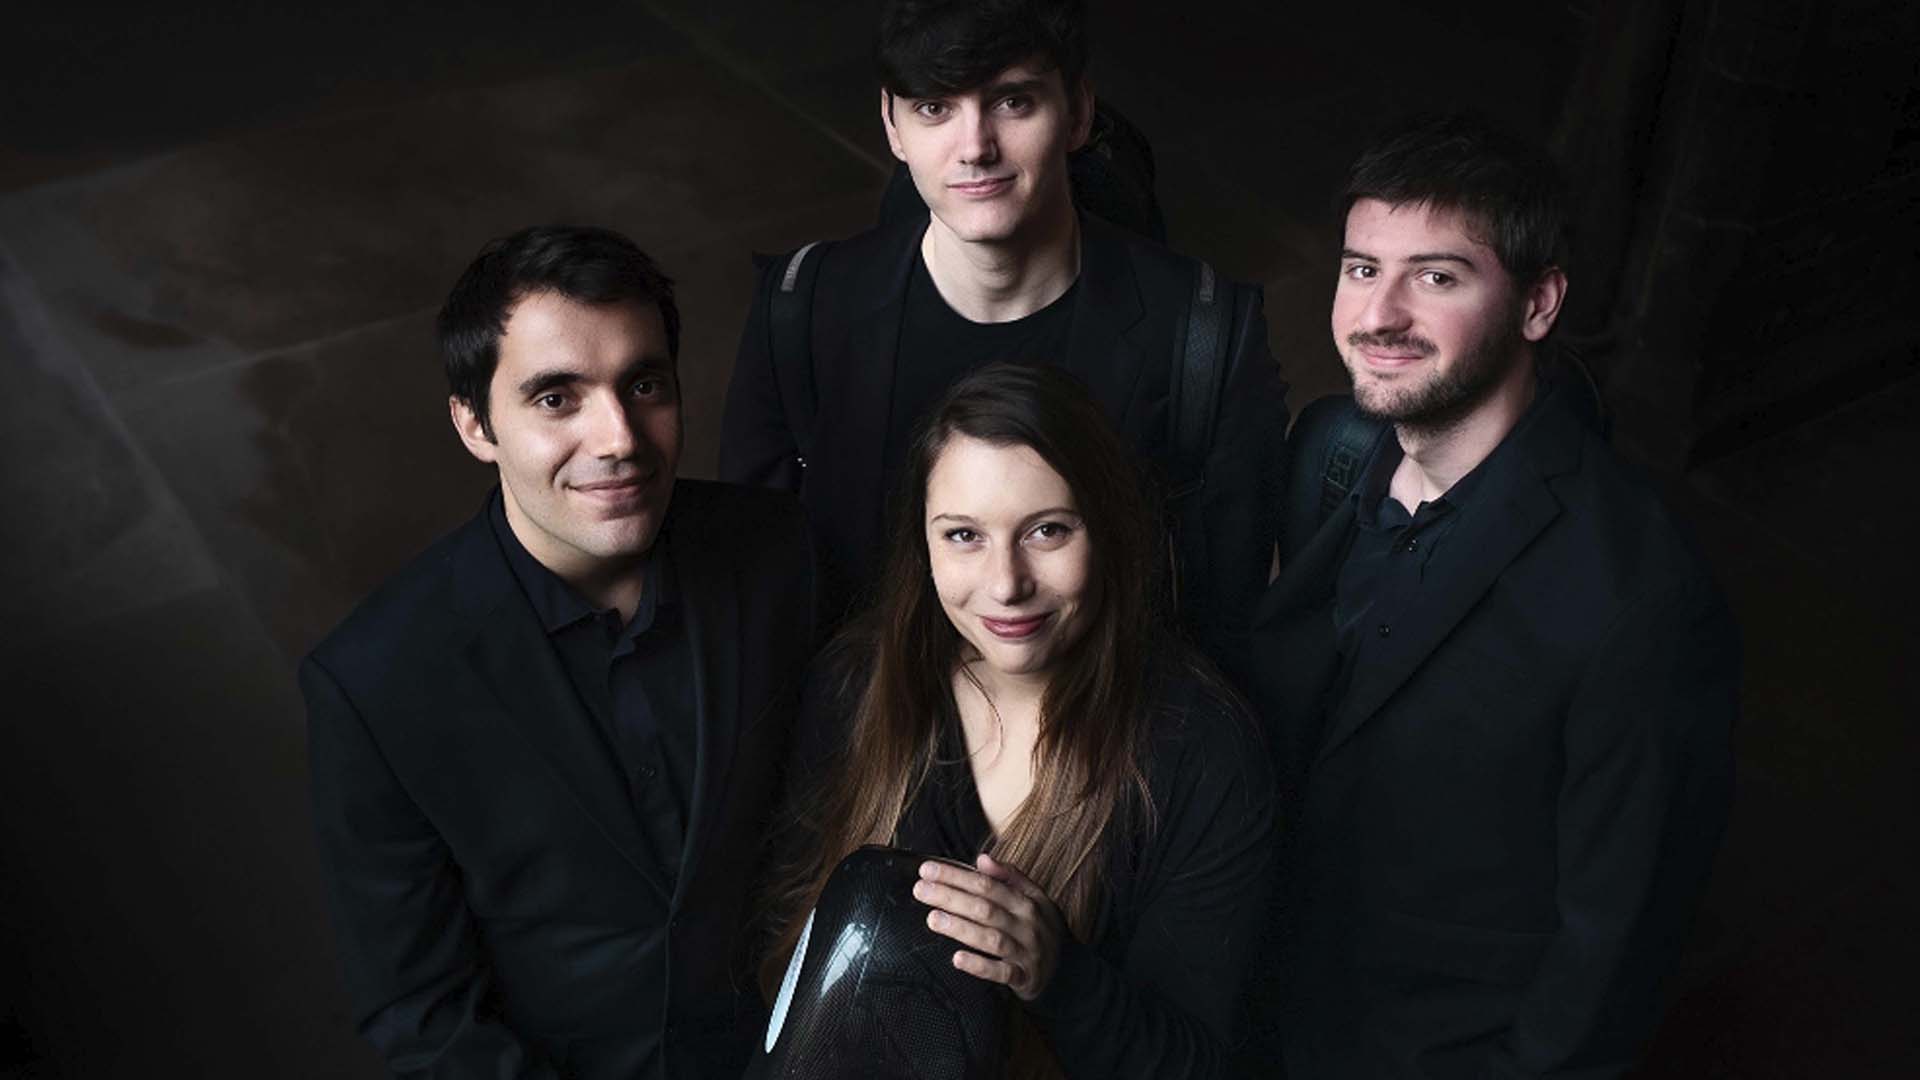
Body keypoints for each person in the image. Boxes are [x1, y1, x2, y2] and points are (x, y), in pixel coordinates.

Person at [1244, 115, 1740, 1077]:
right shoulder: (1334, 450)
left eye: (1436, 277)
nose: (1380, 315)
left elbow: (1615, 940)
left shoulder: (1640, 597)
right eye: (1361, 269)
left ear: (1538, 304)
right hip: (1272, 985)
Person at [302, 225, 813, 1079]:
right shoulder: (374, 682)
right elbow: (422, 1012)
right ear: (475, 424)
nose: (619, 438)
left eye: (643, 384)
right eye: (555, 399)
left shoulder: (786, 553)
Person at [718, 0, 1288, 673]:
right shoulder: (801, 309)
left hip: (1107, 722)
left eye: (1013, 102)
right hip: (862, 722)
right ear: (892, 125)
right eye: (934, 108)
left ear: (1078, 113)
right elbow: (757, 601)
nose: (975, 147)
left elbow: (1225, 632)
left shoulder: (1206, 335)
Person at [759, 363, 1276, 1079]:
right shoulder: (856, 686)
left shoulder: (1204, 749)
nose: (1007, 584)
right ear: (923, 545)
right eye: (963, 536)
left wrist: (1059, 976)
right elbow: (781, 957)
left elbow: (1201, 1066)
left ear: (1108, 529)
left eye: (1047, 531)